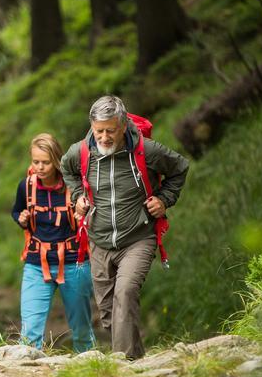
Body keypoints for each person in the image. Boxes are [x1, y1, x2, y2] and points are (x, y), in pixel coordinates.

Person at [60, 95, 190, 360]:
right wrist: (77, 197)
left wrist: (164, 200)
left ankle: (121, 367)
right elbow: (66, 169)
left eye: (110, 131)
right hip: (99, 238)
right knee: (109, 313)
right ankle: (137, 362)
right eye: (99, 131)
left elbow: (179, 168)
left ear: (123, 125)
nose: (104, 137)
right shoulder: (81, 152)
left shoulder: (147, 150)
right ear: (92, 127)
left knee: (126, 292)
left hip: (138, 237)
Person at [11, 133, 96, 352]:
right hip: (36, 264)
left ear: (57, 160)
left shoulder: (73, 186)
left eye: (46, 162)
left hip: (74, 263)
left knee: (82, 329)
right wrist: (21, 219)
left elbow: (92, 214)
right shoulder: (26, 186)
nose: (40, 167)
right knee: (29, 332)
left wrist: (82, 215)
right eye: (35, 161)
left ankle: (90, 369)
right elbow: (17, 210)